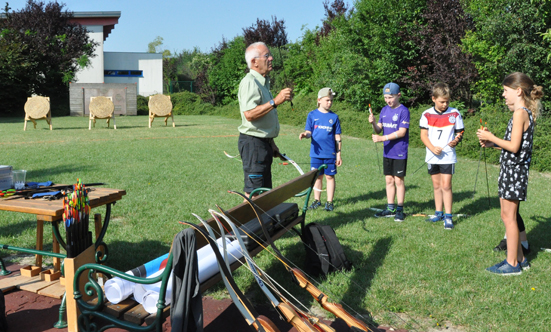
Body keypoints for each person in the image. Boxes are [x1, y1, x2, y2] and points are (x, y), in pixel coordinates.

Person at [477, 72, 542, 275]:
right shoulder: (523, 112)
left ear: (518, 91)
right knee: (507, 215)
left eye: (506, 91)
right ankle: (521, 260)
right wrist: (493, 143)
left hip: (514, 173)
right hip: (512, 171)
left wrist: (491, 135)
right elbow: (517, 147)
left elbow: (514, 147)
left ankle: (512, 264)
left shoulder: (520, 113)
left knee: (509, 218)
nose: (503, 95)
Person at [237, 42, 292, 196]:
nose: (271, 58)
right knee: (254, 193)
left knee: (263, 193)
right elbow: (249, 114)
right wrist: (276, 101)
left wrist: (271, 142)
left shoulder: (263, 82)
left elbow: (262, 118)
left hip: (262, 144)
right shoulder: (250, 82)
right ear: (254, 62)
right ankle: (240, 221)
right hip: (253, 145)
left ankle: (258, 220)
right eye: (266, 56)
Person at [419, 83, 464, 230]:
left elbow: (460, 132)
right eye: (442, 101)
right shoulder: (426, 114)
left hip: (448, 156)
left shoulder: (455, 114)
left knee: (446, 186)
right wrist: (432, 148)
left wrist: (456, 140)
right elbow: (423, 135)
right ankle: (438, 213)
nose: (445, 104)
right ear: (433, 99)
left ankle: (448, 216)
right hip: (432, 156)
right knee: (436, 186)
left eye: (447, 102)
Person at [369, 83, 410, 222]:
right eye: (386, 97)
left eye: (390, 97)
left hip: (399, 152)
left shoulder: (403, 111)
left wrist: (382, 138)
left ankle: (400, 209)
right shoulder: (384, 110)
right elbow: (379, 129)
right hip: (387, 152)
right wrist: (374, 123)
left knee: (399, 180)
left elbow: (401, 132)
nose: (388, 100)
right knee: (389, 180)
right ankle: (390, 207)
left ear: (398, 95)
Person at [299, 88, 342, 211]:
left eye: (331, 100)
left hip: (330, 153)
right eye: (327, 100)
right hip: (316, 154)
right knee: (317, 177)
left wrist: (338, 155)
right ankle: (316, 200)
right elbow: (309, 132)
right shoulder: (312, 115)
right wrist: (305, 135)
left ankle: (329, 202)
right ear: (319, 100)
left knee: (330, 177)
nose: (330, 103)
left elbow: (337, 137)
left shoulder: (334, 117)